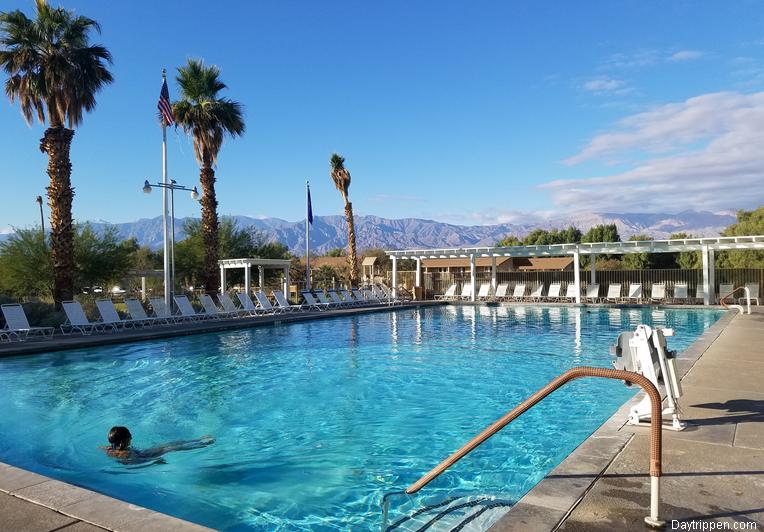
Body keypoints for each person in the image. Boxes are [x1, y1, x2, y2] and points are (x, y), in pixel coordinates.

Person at [103, 426, 214, 464]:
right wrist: (154, 462)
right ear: (123, 441)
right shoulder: (125, 454)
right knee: (172, 448)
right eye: (130, 436)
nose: (131, 437)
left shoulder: (111, 448)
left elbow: (105, 448)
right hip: (146, 456)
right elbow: (136, 462)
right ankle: (204, 444)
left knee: (169, 443)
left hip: (142, 453)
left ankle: (197, 439)